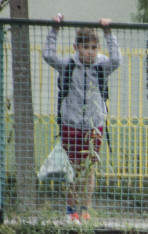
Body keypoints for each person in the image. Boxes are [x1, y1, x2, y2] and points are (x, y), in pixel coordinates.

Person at [42, 14, 121, 222]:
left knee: (89, 169)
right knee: (73, 169)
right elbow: (49, 56)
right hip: (71, 123)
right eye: (85, 47)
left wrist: (108, 33)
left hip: (95, 124)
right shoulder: (68, 64)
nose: (90, 52)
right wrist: (54, 29)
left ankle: (85, 209)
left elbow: (117, 60)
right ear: (76, 48)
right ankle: (71, 210)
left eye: (94, 48)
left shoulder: (102, 65)